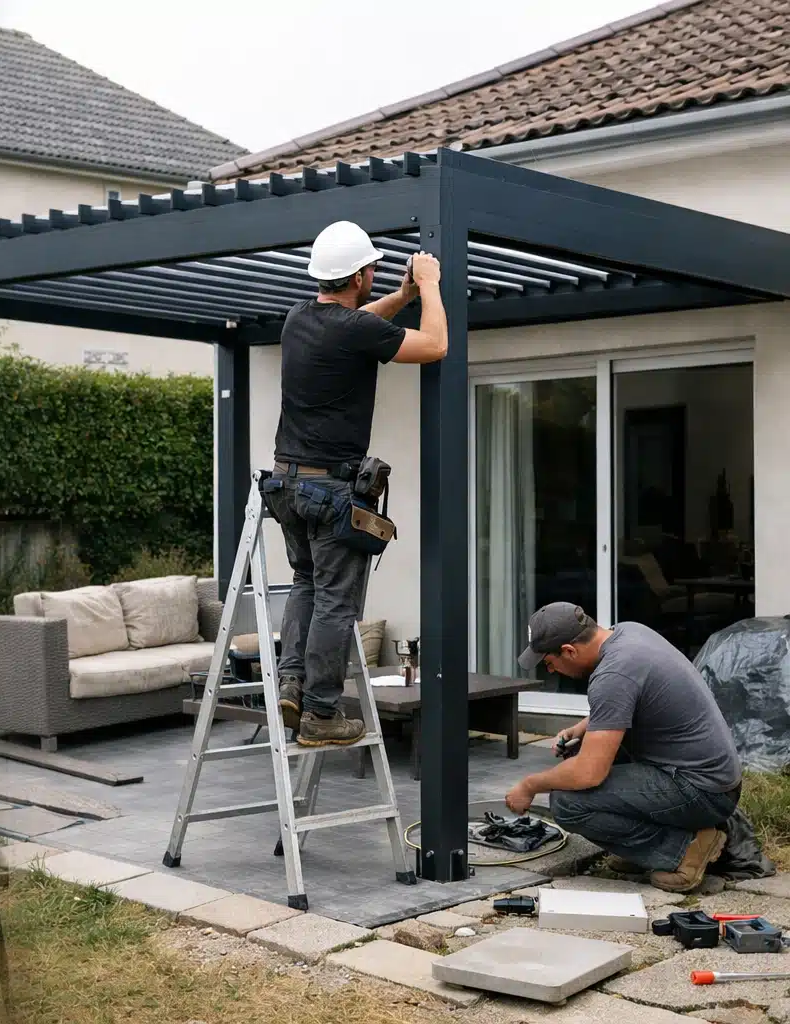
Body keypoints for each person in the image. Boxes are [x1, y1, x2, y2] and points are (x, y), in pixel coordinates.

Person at [270, 221, 448, 746]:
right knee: (335, 602)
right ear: (359, 275)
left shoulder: (299, 318)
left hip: (286, 485)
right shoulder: (350, 330)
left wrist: (398, 296)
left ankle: (292, 684)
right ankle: (322, 715)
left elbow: (358, 322)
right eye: (372, 269)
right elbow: (436, 344)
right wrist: (430, 285)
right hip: (329, 492)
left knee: (306, 584)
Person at [505, 602, 742, 893]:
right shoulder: (628, 633)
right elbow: (628, 697)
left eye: (549, 662)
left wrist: (529, 786)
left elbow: (589, 773)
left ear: (569, 650)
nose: (551, 669)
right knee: (580, 751)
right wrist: (581, 727)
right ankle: (648, 849)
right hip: (711, 777)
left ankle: (684, 850)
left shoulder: (612, 676)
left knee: (567, 801)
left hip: (704, 791)